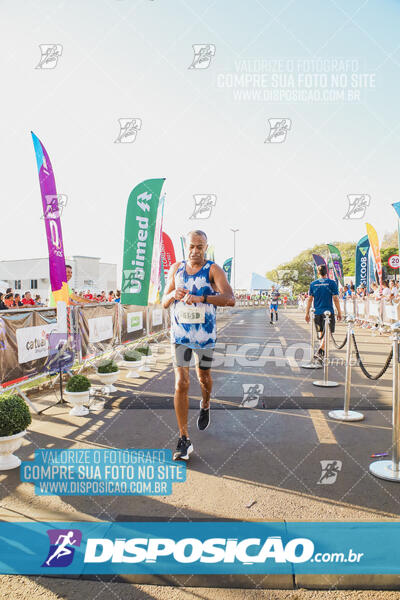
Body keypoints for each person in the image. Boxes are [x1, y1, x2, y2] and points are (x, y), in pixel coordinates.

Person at [162, 230, 235, 461]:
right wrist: (173, 293)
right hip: (180, 335)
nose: (195, 251)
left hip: (204, 337)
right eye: (192, 246)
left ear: (206, 247)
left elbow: (230, 299)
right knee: (181, 383)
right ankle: (184, 438)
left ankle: (205, 403)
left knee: (203, 378)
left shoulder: (213, 270)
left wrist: (201, 298)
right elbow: (163, 302)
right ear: (187, 247)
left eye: (200, 247)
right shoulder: (176, 268)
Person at [305, 264, 342, 363]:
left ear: (318, 272)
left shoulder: (313, 284)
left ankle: (321, 353)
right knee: (327, 333)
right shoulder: (332, 283)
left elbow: (309, 299)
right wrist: (339, 312)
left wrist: (307, 313)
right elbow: (335, 298)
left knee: (321, 333)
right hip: (328, 312)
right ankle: (321, 351)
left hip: (317, 312)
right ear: (327, 272)